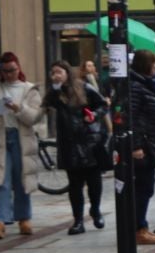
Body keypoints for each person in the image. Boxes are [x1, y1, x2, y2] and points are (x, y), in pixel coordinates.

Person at [0, 52, 44, 238]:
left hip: (21, 137)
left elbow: (35, 118)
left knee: (22, 179)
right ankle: (0, 221)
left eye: (13, 70)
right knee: (0, 179)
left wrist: (18, 109)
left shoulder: (30, 89)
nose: (10, 74)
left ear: (19, 68)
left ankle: (24, 218)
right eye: (6, 71)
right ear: (0, 71)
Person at [46, 61, 109, 235]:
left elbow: (103, 105)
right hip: (69, 144)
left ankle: (95, 210)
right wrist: (55, 88)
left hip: (89, 141)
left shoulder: (84, 87)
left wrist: (94, 115)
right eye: (53, 72)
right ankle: (78, 220)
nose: (56, 75)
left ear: (67, 72)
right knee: (75, 186)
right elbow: (48, 104)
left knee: (94, 182)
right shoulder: (56, 93)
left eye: (59, 72)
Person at [123, 50, 155, 246]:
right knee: (143, 187)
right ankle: (138, 228)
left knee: (147, 186)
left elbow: (146, 111)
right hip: (143, 145)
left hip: (150, 143)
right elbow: (132, 117)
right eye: (153, 64)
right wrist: (135, 146)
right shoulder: (136, 86)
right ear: (145, 65)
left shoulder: (144, 85)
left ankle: (141, 226)